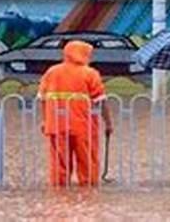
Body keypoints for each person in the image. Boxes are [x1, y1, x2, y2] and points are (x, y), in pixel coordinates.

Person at [38, 40, 113, 187]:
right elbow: (101, 101)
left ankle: (59, 193)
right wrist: (109, 123)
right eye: (88, 54)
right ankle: (88, 192)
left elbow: (42, 99)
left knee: (59, 162)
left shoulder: (52, 72)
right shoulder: (90, 74)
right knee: (87, 161)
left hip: (56, 125)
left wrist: (45, 120)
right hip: (83, 126)